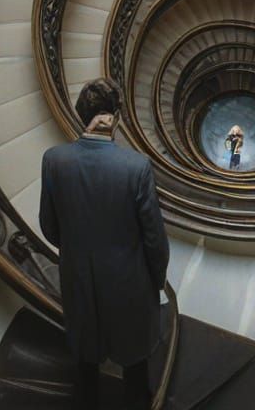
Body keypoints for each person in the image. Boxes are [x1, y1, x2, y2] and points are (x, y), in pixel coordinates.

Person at [39, 78, 170, 410]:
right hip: (130, 287)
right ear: (116, 118)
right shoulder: (136, 167)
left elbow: (49, 227)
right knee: (136, 372)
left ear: (82, 115)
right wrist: (155, 281)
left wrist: (79, 248)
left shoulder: (54, 160)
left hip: (78, 281)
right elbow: (155, 240)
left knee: (85, 368)